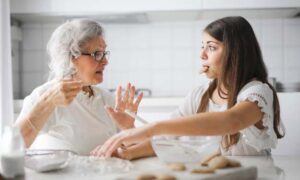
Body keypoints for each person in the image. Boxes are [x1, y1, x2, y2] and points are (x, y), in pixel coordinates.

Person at [93, 16, 285, 158]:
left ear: (236, 52)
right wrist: (126, 149)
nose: (202, 55)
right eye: (202, 46)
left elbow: (231, 121)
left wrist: (154, 127)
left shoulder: (258, 92)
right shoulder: (199, 95)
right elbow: (169, 139)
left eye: (211, 47)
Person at [14, 19, 145, 156]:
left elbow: (134, 152)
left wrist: (128, 128)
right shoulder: (44, 95)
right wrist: (47, 103)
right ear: (71, 56)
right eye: (97, 54)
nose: (105, 61)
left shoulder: (107, 100)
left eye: (104, 53)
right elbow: (13, 147)